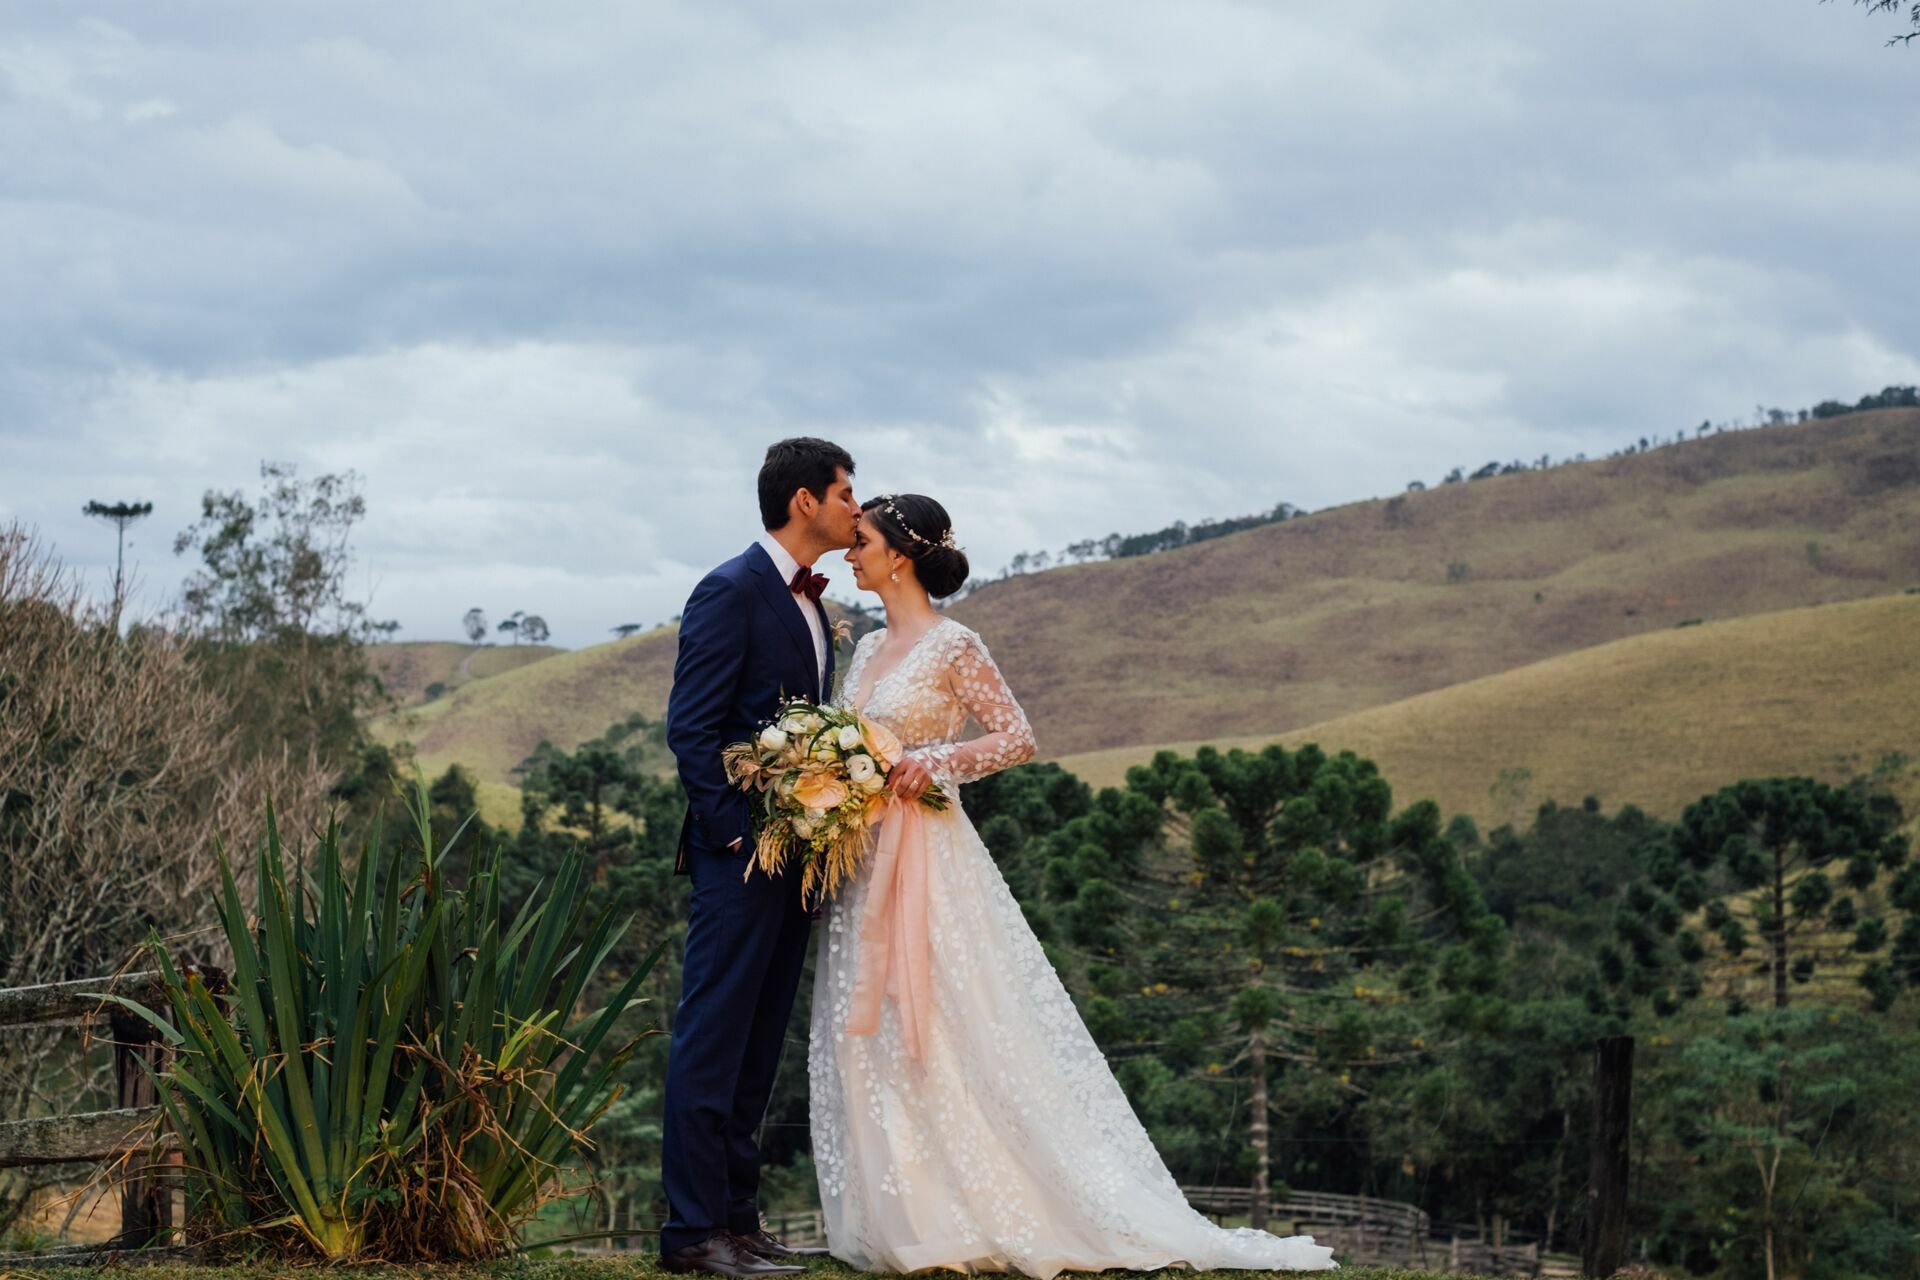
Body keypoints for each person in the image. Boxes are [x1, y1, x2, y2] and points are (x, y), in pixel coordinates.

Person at [809, 493, 1337, 1278]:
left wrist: (937, 762)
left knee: (957, 1017)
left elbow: (1017, 737)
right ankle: (910, 1214)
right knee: (871, 1022)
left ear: (902, 555)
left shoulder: (955, 644)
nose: (850, 554)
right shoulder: (866, 648)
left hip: (931, 854)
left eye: (863, 542)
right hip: (864, 859)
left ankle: (997, 1207)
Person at [660, 437, 861, 1278]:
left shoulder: (815, 604)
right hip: (738, 856)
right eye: (848, 492)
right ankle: (692, 1236)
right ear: (805, 500)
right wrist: (737, 834)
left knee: (757, 1045)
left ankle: (740, 1224)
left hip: (798, 860)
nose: (859, 507)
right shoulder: (730, 589)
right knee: (712, 1040)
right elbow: (693, 728)